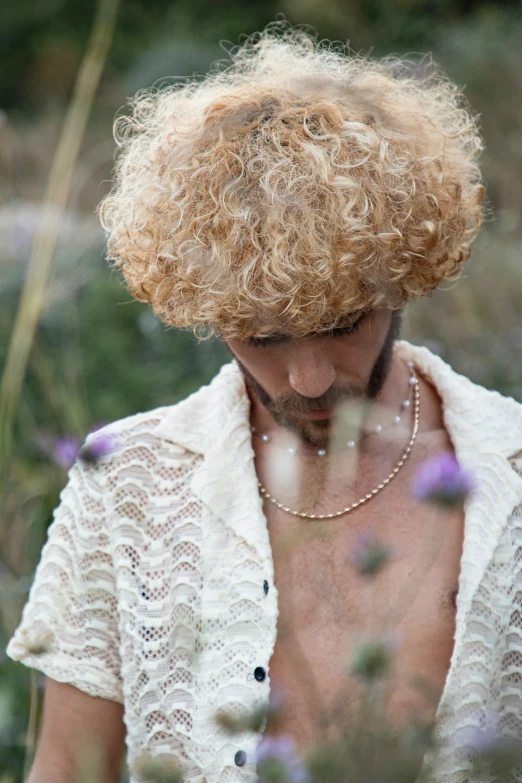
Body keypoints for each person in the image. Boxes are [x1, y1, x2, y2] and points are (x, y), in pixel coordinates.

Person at [6, 22, 522, 783]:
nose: (309, 379)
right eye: (262, 335)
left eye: (343, 324)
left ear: (404, 278)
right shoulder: (128, 484)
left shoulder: (510, 474)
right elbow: (66, 770)